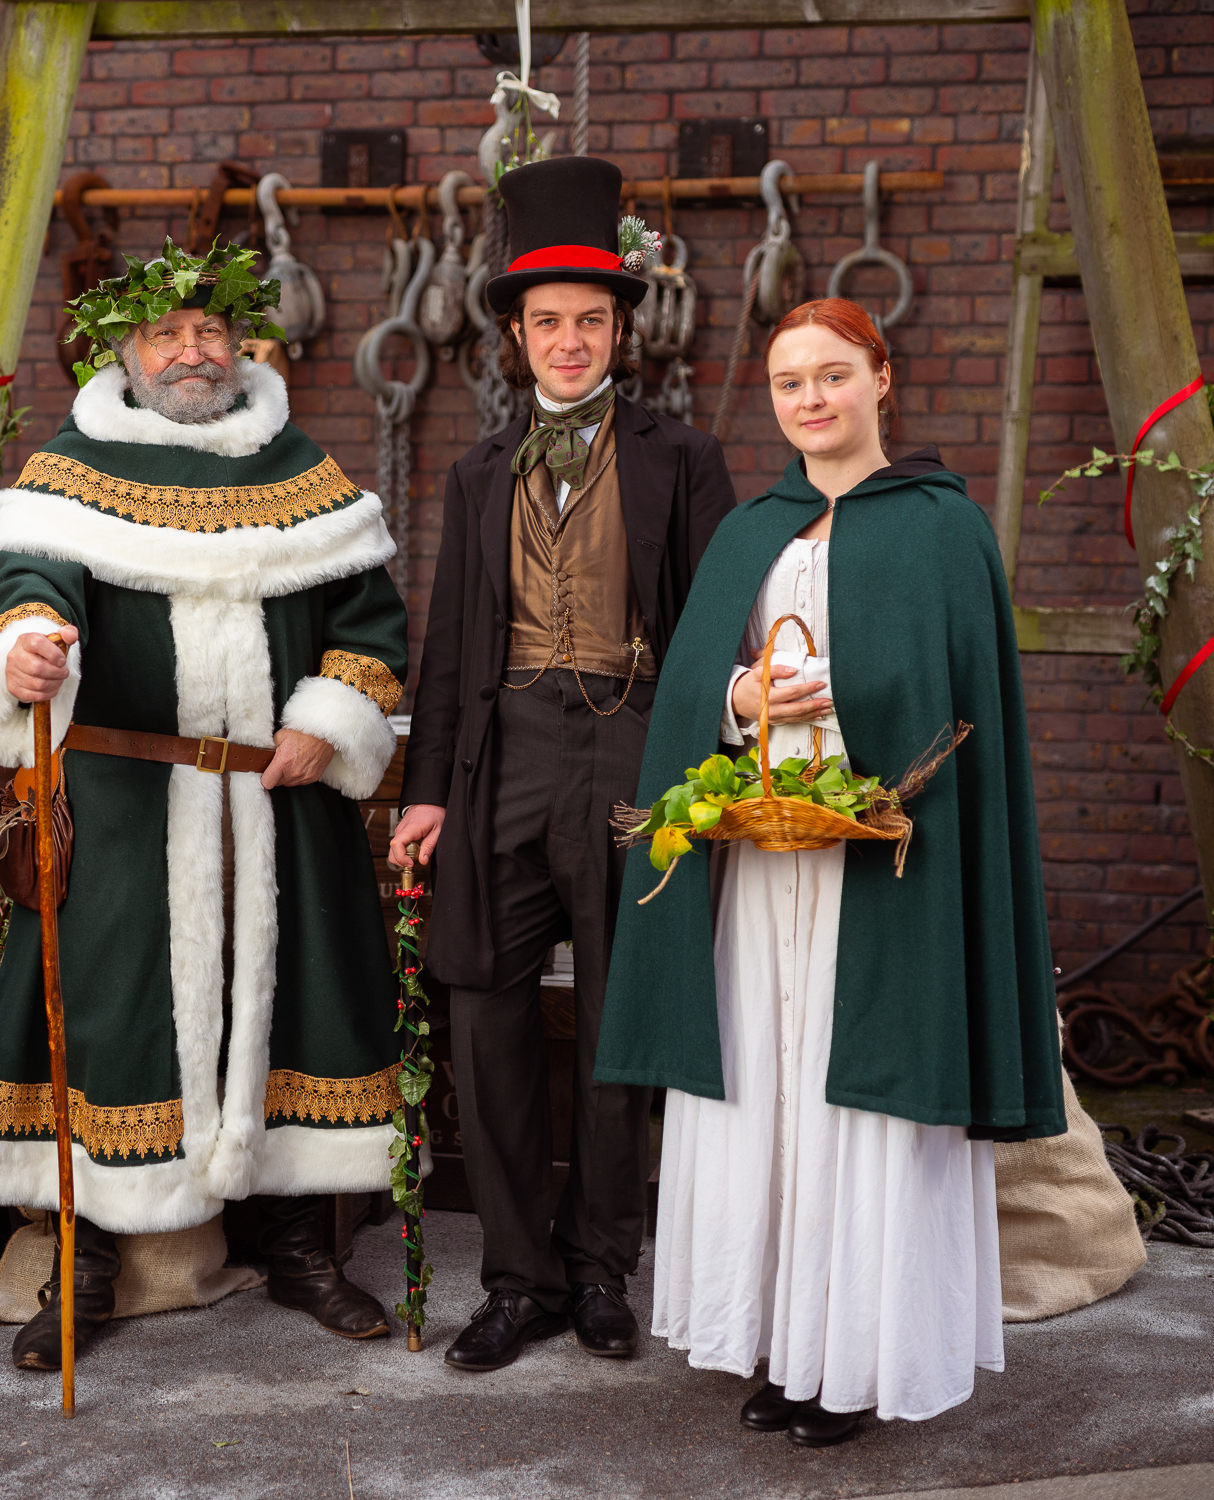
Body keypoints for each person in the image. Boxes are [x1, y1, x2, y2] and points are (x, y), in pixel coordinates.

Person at [596, 298, 1067, 1446]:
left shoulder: (941, 528)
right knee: (769, 1084)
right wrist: (739, 695)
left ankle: (852, 1358)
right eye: (790, 383)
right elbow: (705, 677)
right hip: (763, 864)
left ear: (881, 379)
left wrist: (863, 740)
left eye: (832, 375)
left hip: (887, 867)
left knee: (858, 1107)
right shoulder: (756, 528)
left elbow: (959, 705)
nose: (811, 400)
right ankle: (777, 1341)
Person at [0, 238, 409, 1369]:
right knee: (112, 1016)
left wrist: (328, 720)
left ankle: (299, 1246)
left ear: (247, 347)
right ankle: (87, 1263)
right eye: (168, 332)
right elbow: (32, 592)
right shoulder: (68, 475)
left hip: (280, 801)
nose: (194, 350)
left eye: (214, 331)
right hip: (125, 810)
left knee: (299, 1003)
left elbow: (374, 630)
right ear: (126, 352)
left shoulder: (306, 474)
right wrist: (28, 656)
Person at [389, 156, 736, 1373]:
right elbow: (444, 649)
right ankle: (517, 1277)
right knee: (483, 1013)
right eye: (550, 321)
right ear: (518, 335)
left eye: (592, 319)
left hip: (638, 751)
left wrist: (709, 777)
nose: (572, 339)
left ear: (622, 328)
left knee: (612, 1024)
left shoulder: (682, 460)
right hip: (505, 758)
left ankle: (601, 1269)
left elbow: (713, 630)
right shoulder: (480, 472)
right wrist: (426, 787)